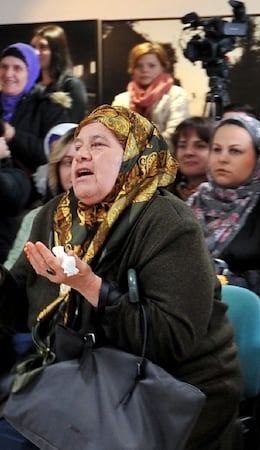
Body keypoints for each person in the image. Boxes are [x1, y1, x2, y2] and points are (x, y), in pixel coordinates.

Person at [0, 105, 243, 449]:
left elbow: (170, 340)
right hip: (85, 376)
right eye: (79, 145)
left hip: (167, 390)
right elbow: (23, 313)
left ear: (135, 155)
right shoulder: (56, 216)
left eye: (98, 145)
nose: (81, 153)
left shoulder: (169, 221)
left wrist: (90, 286)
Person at [188, 114, 260, 381]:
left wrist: (225, 281)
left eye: (235, 151)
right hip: (195, 320)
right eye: (216, 149)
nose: (222, 158)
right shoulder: (194, 204)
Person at [0, 42, 70, 262]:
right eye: (4, 66)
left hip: (31, 203)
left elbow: (55, 152)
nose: (8, 74)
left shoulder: (49, 105)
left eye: (17, 68)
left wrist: (13, 135)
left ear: (31, 71)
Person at [4, 123, 77, 269]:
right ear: (56, 170)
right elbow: (12, 273)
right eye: (68, 162)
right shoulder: (37, 217)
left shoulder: (122, 215)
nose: (77, 169)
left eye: (84, 160)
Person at [112, 42, 190, 148]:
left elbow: (176, 134)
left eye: (151, 65)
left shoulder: (176, 94)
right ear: (132, 69)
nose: (145, 70)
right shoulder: (121, 100)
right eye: (139, 66)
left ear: (163, 67)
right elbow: (115, 136)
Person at [30, 24, 88, 122]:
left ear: (56, 50)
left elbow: (73, 126)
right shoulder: (32, 86)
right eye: (33, 47)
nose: (36, 52)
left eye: (42, 47)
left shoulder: (72, 85)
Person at [168, 116, 214, 200]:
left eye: (200, 146)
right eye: (182, 146)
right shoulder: (164, 195)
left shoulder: (225, 199)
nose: (188, 152)